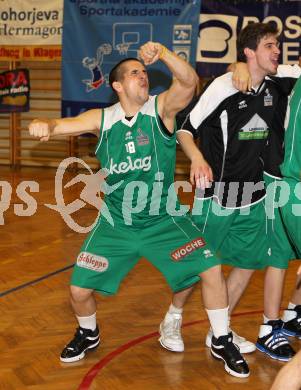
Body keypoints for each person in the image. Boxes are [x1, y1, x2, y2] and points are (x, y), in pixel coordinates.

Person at [29, 42, 249, 378]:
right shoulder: (101, 119)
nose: (143, 77)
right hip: (118, 222)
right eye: (135, 73)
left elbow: (189, 83)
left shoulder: (160, 109)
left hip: (165, 221)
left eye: (145, 72)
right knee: (78, 290)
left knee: (211, 269)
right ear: (118, 85)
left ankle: (221, 338)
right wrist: (44, 124)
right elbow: (60, 125)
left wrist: (162, 53)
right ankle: (89, 333)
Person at [158, 23, 301, 362]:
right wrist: (196, 159)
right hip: (217, 195)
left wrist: (242, 65)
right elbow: (185, 130)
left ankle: (218, 331)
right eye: (270, 46)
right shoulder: (222, 87)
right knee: (200, 264)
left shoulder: (277, 82)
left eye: (277, 46)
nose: (277, 52)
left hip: (256, 193)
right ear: (250, 52)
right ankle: (172, 319)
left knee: (248, 264)